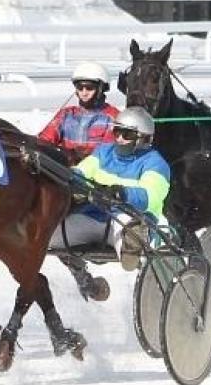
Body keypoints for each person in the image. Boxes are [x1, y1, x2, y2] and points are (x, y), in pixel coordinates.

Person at [49, 107, 170, 271]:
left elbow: (152, 196)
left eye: (127, 134)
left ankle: (131, 248)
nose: (119, 138)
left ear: (144, 138)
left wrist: (122, 193)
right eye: (117, 132)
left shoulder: (155, 163)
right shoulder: (104, 152)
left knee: (127, 225)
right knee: (49, 235)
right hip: (93, 216)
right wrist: (69, 180)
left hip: (131, 218)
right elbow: (80, 172)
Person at [38, 61, 120, 163]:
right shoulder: (66, 114)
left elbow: (107, 154)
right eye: (80, 88)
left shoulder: (113, 117)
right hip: (63, 171)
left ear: (101, 89)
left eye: (89, 88)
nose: (84, 93)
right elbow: (43, 142)